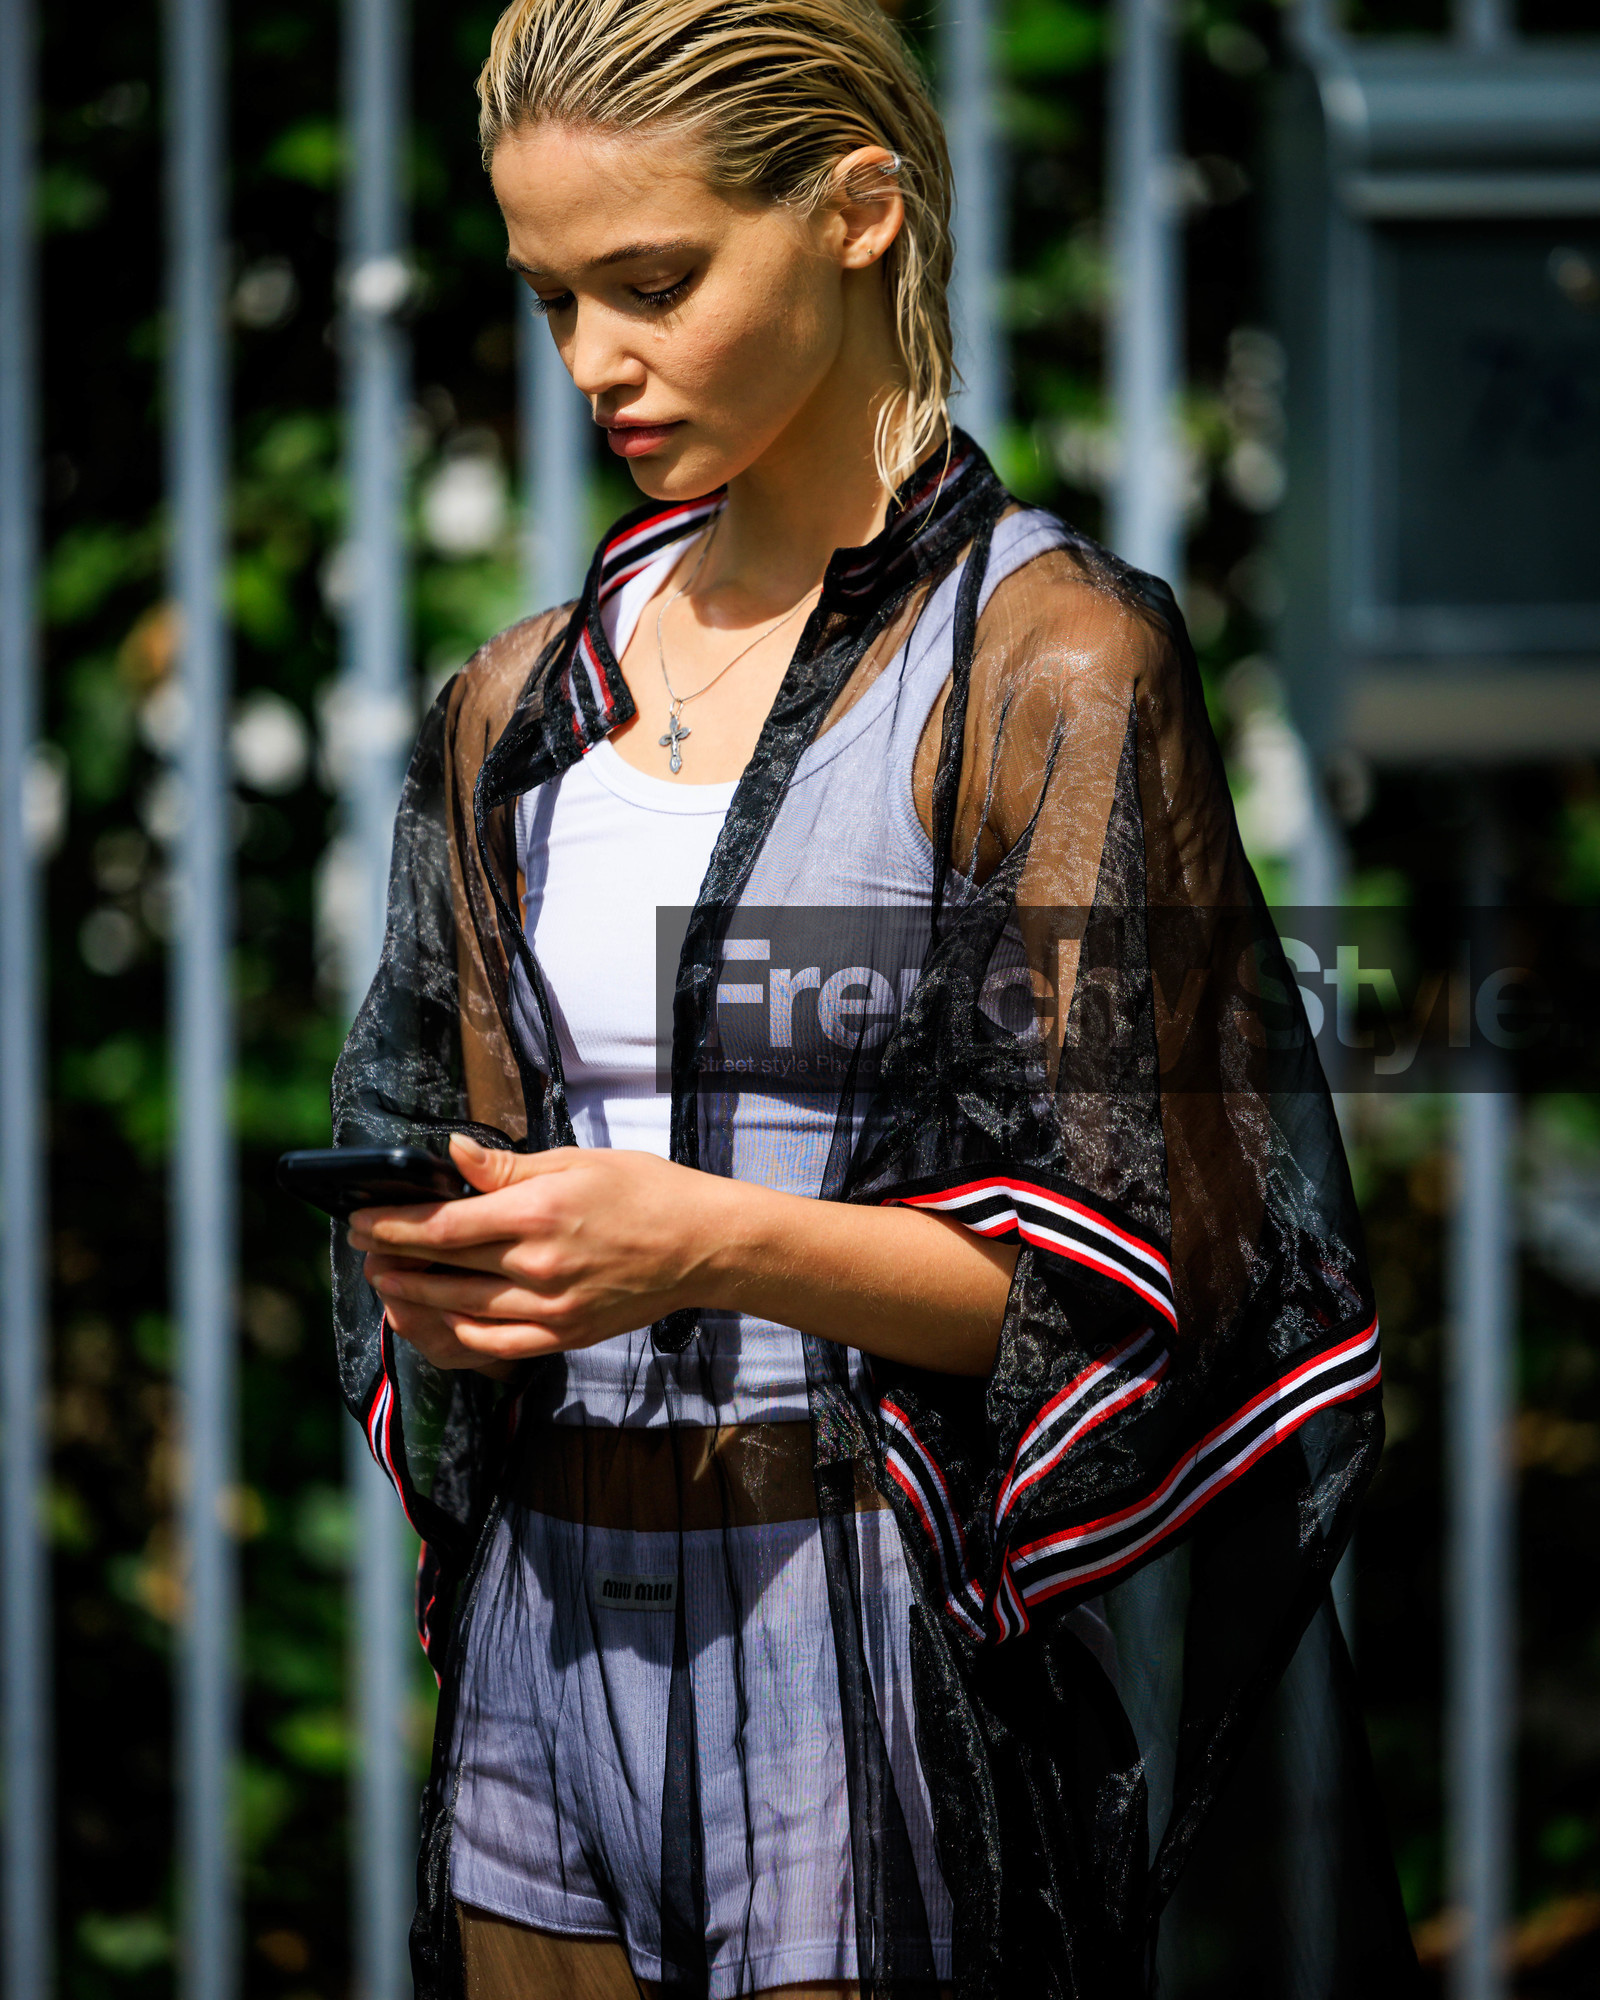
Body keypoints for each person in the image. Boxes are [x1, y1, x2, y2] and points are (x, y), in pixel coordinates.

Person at [332, 1, 1417, 1995]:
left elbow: (1137, 1283)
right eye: (554, 296)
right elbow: (451, 1144)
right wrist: (451, 1267)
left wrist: (704, 1243)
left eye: (654, 282)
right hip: (537, 1636)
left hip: (850, 1629)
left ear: (855, 211)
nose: (593, 362)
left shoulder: (1041, 661)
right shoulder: (518, 704)